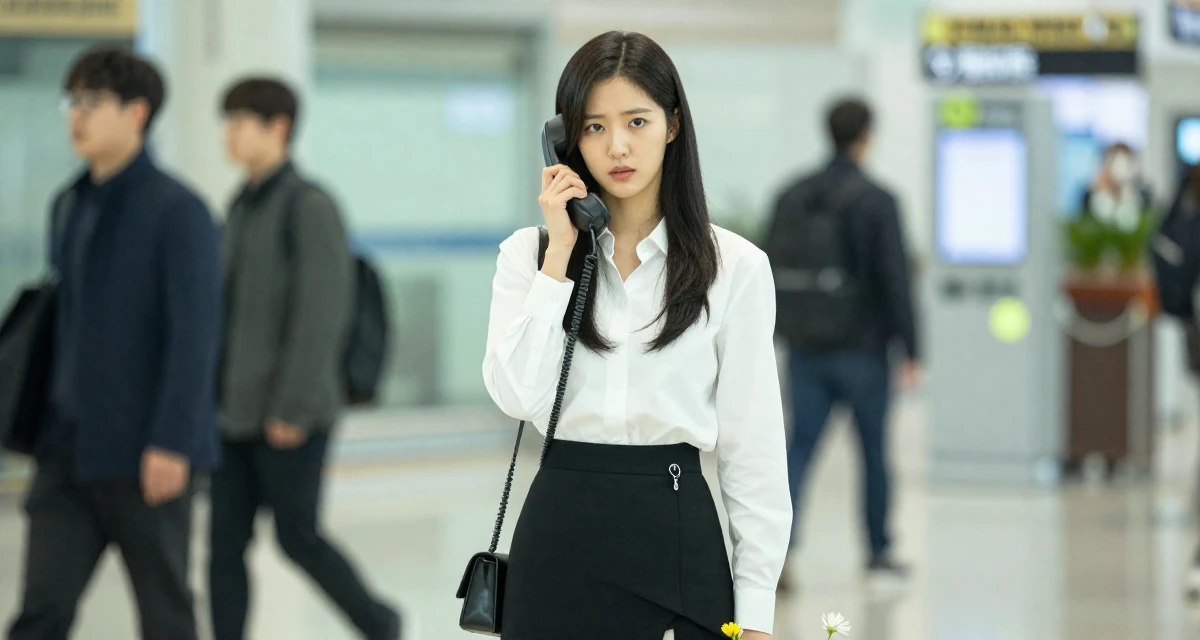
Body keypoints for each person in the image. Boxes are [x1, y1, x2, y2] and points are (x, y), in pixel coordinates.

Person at [483, 31, 791, 640]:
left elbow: (752, 446)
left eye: (637, 121)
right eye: (593, 127)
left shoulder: (734, 266)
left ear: (673, 125)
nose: (617, 146)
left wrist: (756, 607)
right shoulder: (529, 255)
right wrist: (560, 260)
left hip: (677, 534)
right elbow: (516, 397)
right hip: (559, 540)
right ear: (566, 140)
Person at [7, 48, 221, 640]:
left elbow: (195, 336)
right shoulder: (68, 204)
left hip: (147, 455)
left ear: (137, 113)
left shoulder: (180, 213)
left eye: (93, 102)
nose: (76, 115)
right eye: (71, 101)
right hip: (64, 452)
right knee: (40, 613)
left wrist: (173, 442)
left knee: (166, 616)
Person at [211, 77, 400, 640]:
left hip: (291, 413)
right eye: (229, 121)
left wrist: (291, 408)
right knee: (223, 545)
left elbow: (321, 318)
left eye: (242, 121)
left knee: (297, 536)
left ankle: (379, 622)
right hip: (233, 413)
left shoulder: (309, 206)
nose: (230, 134)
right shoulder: (241, 206)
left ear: (279, 128)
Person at [766, 98, 919, 590]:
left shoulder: (791, 195)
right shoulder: (877, 201)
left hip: (806, 347)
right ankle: (877, 553)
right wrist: (912, 348)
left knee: (800, 449)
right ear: (865, 136)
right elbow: (895, 278)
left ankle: (777, 554)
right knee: (873, 453)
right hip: (865, 351)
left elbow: (765, 269)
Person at [1081, 143, 1152, 231]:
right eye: (1116, 162)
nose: (1120, 170)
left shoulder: (1142, 196)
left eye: (1126, 163)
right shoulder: (1090, 196)